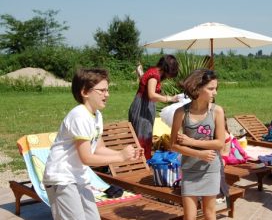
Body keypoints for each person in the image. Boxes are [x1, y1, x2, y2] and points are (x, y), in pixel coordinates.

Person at [43, 68, 143, 220]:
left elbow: (98, 149)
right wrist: (120, 157)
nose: (107, 94)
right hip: (62, 178)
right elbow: (87, 158)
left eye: (107, 90)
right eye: (102, 90)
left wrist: (123, 154)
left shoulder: (97, 116)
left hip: (79, 177)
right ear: (85, 92)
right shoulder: (79, 116)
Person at [170, 69, 225, 219]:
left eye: (216, 88)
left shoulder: (217, 112)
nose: (215, 93)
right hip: (189, 170)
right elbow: (173, 145)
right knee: (189, 216)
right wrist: (199, 153)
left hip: (211, 169)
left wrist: (191, 142)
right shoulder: (181, 113)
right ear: (197, 88)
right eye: (211, 88)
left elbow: (220, 143)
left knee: (209, 213)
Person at [129, 54, 179, 159]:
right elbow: (151, 94)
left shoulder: (153, 72)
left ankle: (142, 159)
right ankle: (140, 161)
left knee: (144, 133)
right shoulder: (154, 75)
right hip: (142, 107)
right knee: (142, 134)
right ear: (168, 68)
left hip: (146, 105)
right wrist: (170, 98)